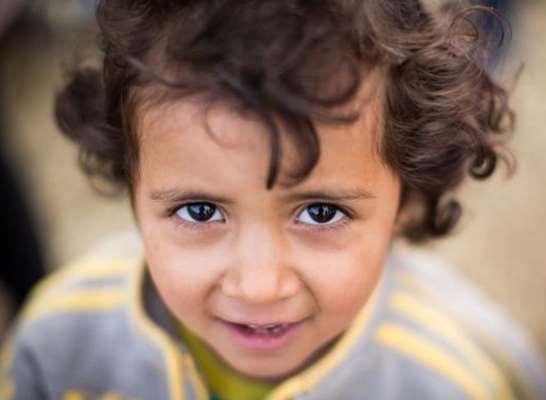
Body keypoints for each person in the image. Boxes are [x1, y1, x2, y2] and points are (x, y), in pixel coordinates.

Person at [1, 0, 545, 399]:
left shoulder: (461, 379)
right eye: (200, 210)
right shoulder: (59, 341)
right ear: (133, 183)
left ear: (406, 197)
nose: (259, 286)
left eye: (321, 212)